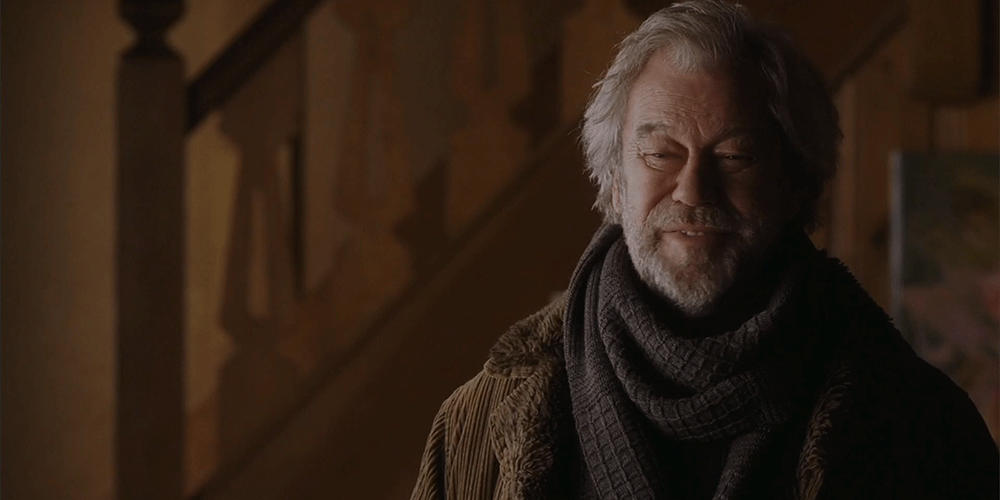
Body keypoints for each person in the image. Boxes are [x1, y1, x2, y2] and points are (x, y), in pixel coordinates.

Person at [410, 1, 1000, 498]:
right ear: (614, 183)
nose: (693, 190)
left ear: (795, 183)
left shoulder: (918, 424)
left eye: (735, 156)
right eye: (659, 154)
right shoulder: (480, 424)